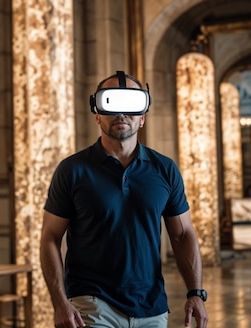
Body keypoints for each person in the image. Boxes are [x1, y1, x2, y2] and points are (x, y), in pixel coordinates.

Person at [40, 71, 208, 328]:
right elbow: (50, 237)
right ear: (97, 114)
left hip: (152, 307)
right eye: (111, 104)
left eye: (130, 105)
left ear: (142, 116)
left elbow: (183, 234)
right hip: (92, 305)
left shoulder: (164, 169)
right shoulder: (72, 170)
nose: (121, 114)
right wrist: (60, 302)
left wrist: (196, 293)